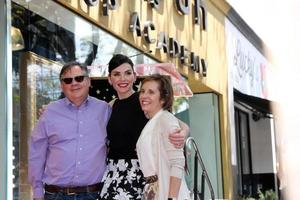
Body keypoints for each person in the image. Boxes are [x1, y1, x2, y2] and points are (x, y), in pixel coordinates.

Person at [99, 54, 188, 199]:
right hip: (112, 175)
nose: (123, 79)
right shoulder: (111, 105)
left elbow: (172, 121)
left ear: (135, 76)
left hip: (139, 175)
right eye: (116, 74)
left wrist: (183, 132)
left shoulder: (145, 102)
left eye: (128, 73)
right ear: (109, 79)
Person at [28, 62, 111, 200]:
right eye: (68, 80)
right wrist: (37, 192)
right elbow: (37, 153)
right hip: (55, 195)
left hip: (94, 194)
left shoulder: (105, 110)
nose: (74, 83)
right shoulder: (49, 112)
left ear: (89, 81)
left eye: (79, 78)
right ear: (62, 85)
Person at [137, 74, 190, 200]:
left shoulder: (165, 119)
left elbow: (177, 163)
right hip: (153, 190)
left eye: (151, 92)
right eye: (143, 91)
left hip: (166, 192)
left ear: (163, 98)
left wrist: (172, 198)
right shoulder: (155, 120)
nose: (144, 96)